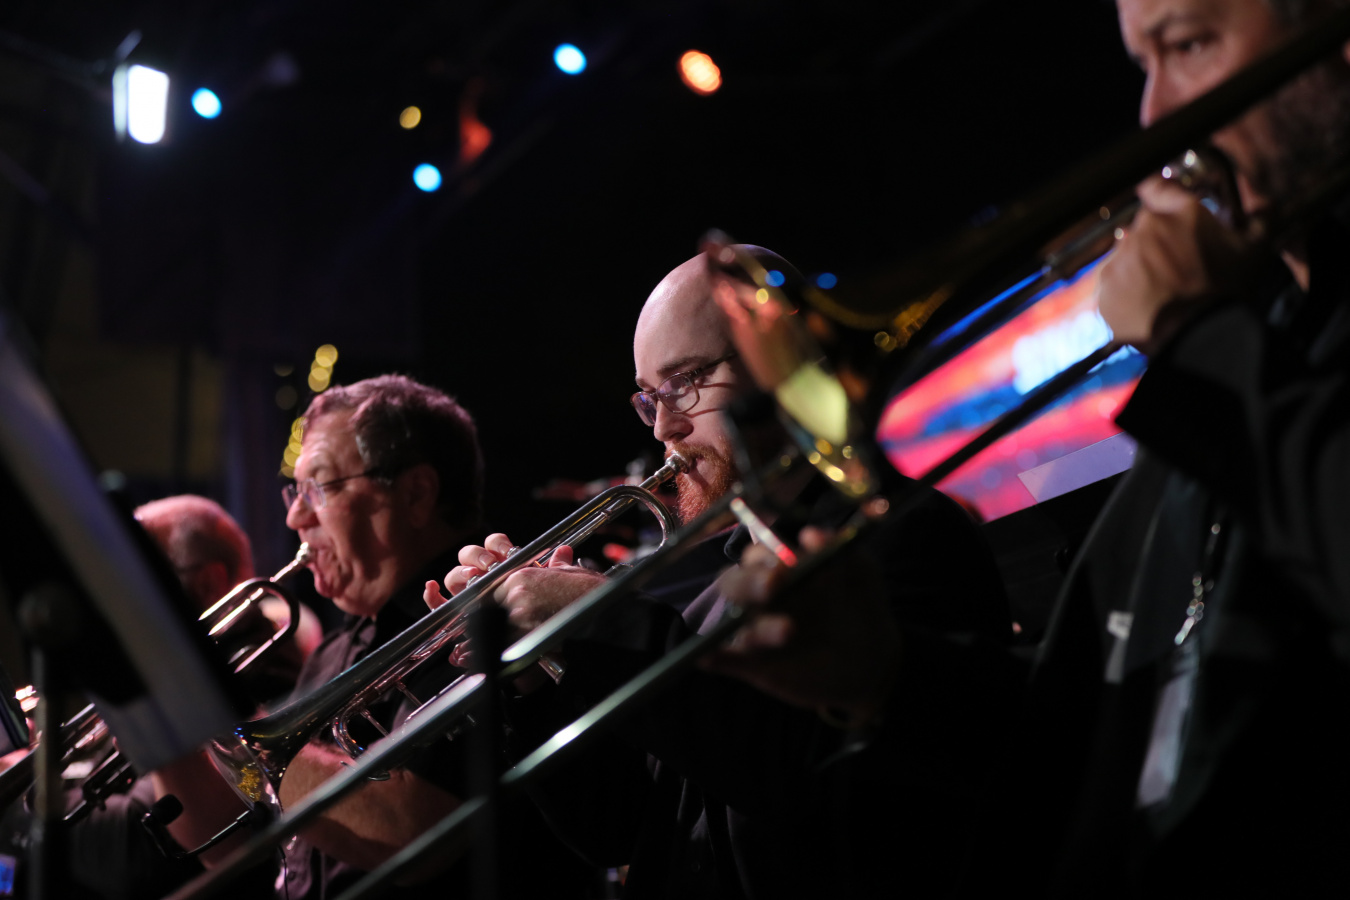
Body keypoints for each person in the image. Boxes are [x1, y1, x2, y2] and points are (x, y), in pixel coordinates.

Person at [712, 0, 1350, 894]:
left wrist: (1196, 338)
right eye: (1143, 64)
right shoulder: (1235, 375)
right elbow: (1085, 733)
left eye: (1191, 44)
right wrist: (883, 675)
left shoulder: (1221, 373)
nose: (1156, 113)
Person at [430, 247, 1012, 897]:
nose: (664, 427)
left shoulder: (905, 531)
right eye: (649, 398)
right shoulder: (705, 591)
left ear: (776, 360)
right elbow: (614, 827)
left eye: (683, 383)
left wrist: (600, 617)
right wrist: (534, 678)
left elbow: (810, 777)